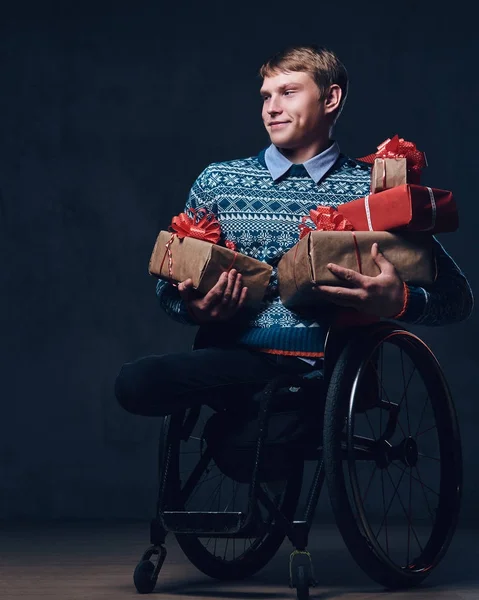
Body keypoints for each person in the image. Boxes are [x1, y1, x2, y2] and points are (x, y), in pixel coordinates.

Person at [115, 44, 473, 418]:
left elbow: (456, 298)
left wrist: (397, 300)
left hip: (329, 367)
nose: (271, 108)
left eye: (288, 93)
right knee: (136, 382)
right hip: (236, 359)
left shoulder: (374, 192)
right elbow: (166, 284)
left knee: (256, 439)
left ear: (330, 98)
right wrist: (193, 306)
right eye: (266, 96)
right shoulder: (218, 181)